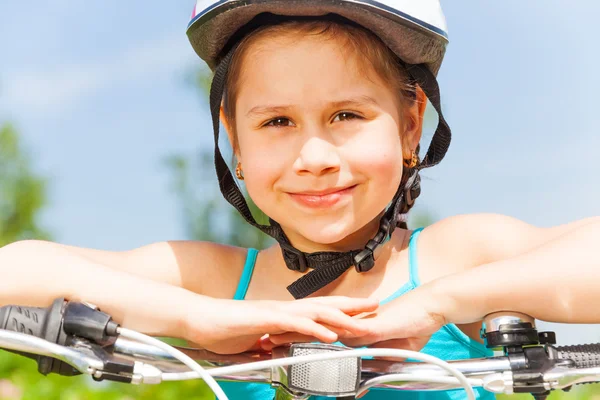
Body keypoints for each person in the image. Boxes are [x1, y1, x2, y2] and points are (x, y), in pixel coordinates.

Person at [1, 1, 599, 399]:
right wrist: (196, 317)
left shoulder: (454, 256)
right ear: (233, 138)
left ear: (412, 125)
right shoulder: (215, 280)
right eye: (278, 121)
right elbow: (15, 271)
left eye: (346, 115)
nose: (314, 156)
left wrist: (441, 303)